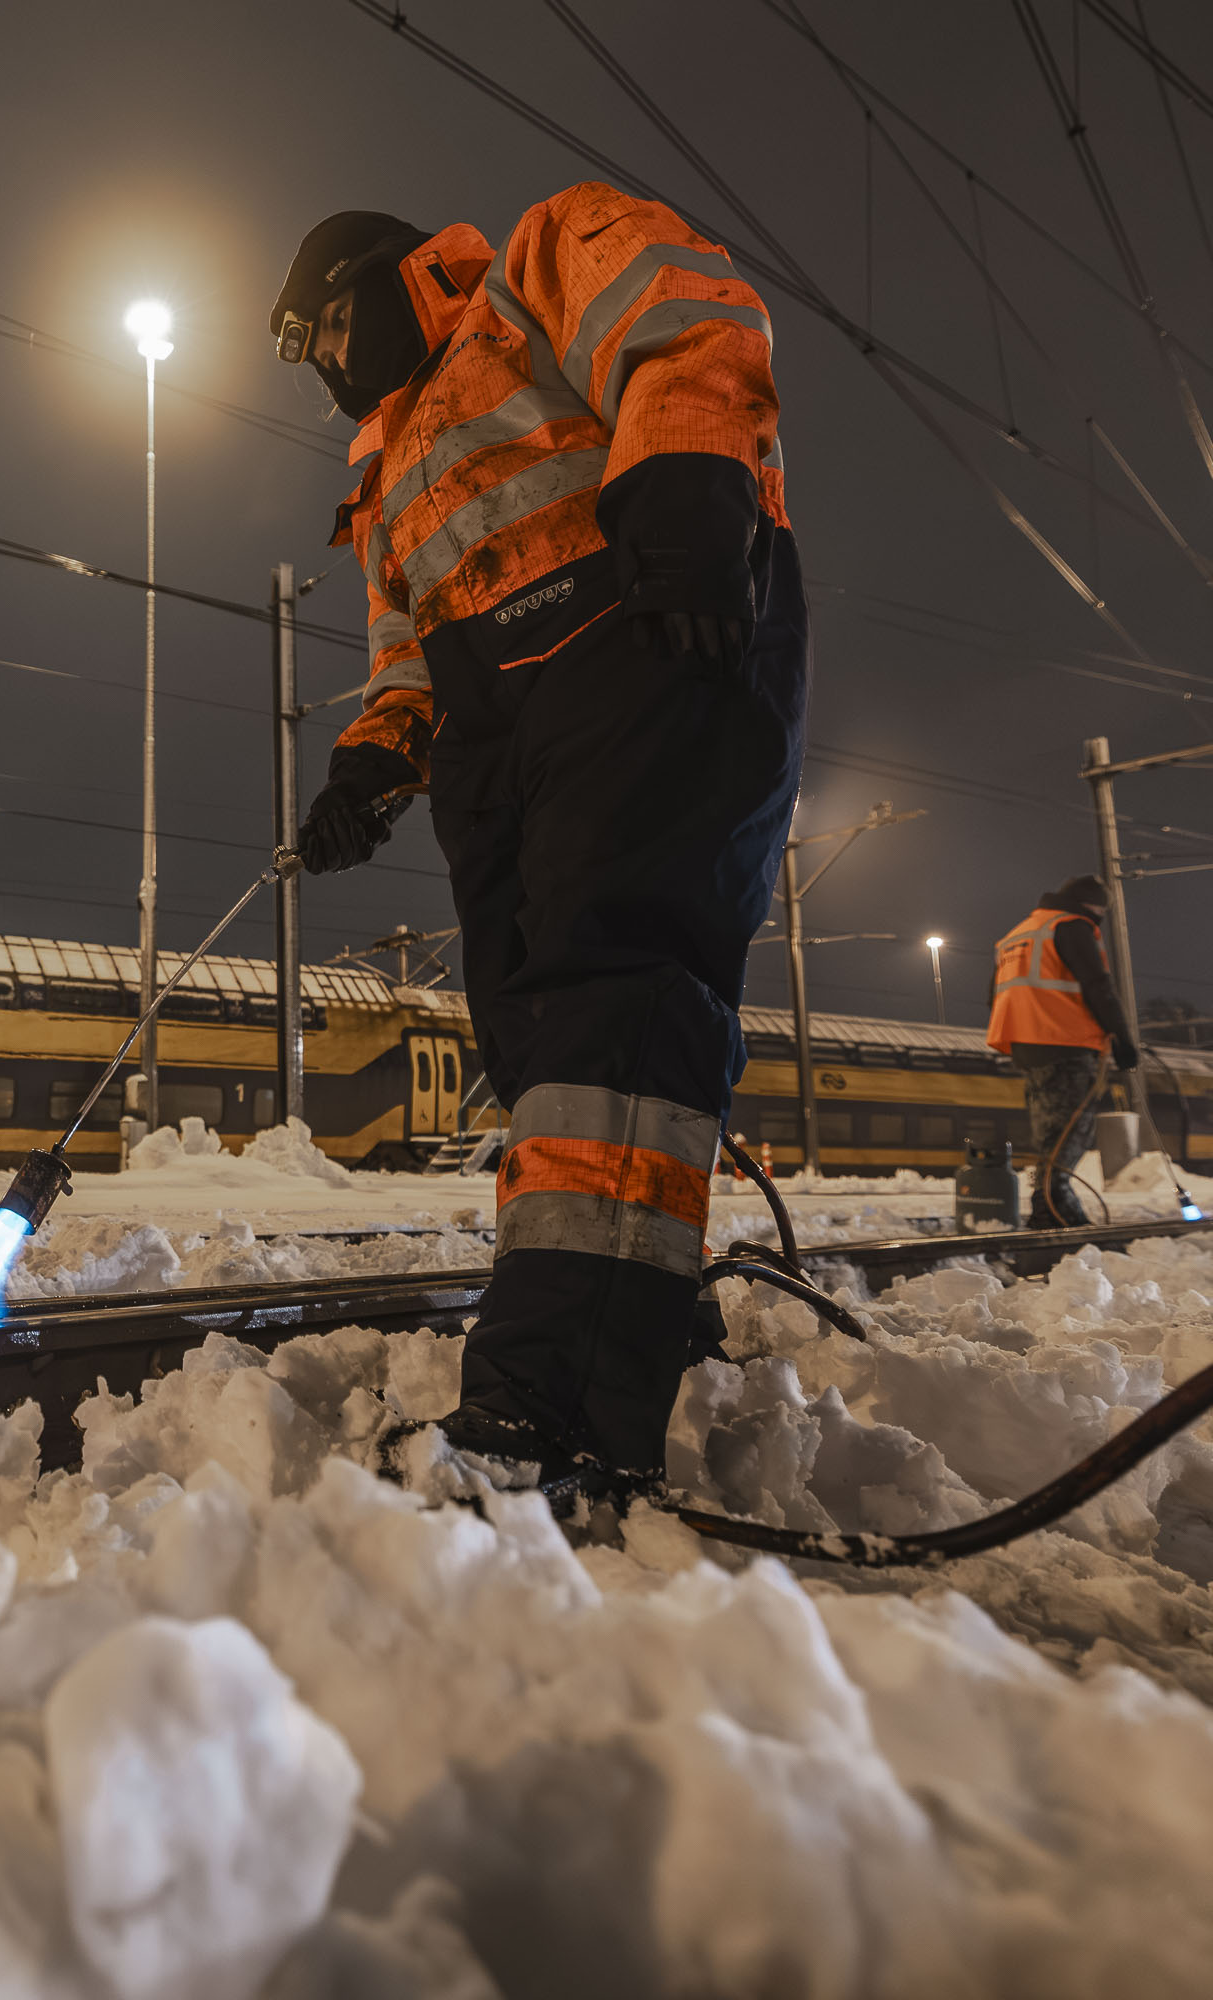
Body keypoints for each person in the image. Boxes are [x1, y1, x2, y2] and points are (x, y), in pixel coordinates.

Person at [270, 191, 805, 1499]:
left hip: (643, 632)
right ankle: (637, 1308)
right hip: (499, 734)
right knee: (535, 1044)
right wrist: (372, 762)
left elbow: (683, 319)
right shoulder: (386, 471)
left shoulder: (532, 274)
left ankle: (553, 1404)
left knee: (610, 1002)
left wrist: (688, 489)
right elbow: (407, 641)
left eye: (331, 324)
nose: (331, 361)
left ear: (390, 278)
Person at [985, 875, 1138, 1228]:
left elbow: (992, 997)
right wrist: (1122, 1037)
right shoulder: (1072, 926)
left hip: (1026, 1044)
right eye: (1101, 911)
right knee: (1071, 1130)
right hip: (1065, 1041)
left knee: (1050, 1131)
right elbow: (1098, 985)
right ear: (1093, 905)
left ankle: (1050, 1205)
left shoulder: (1016, 934)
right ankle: (1052, 1206)